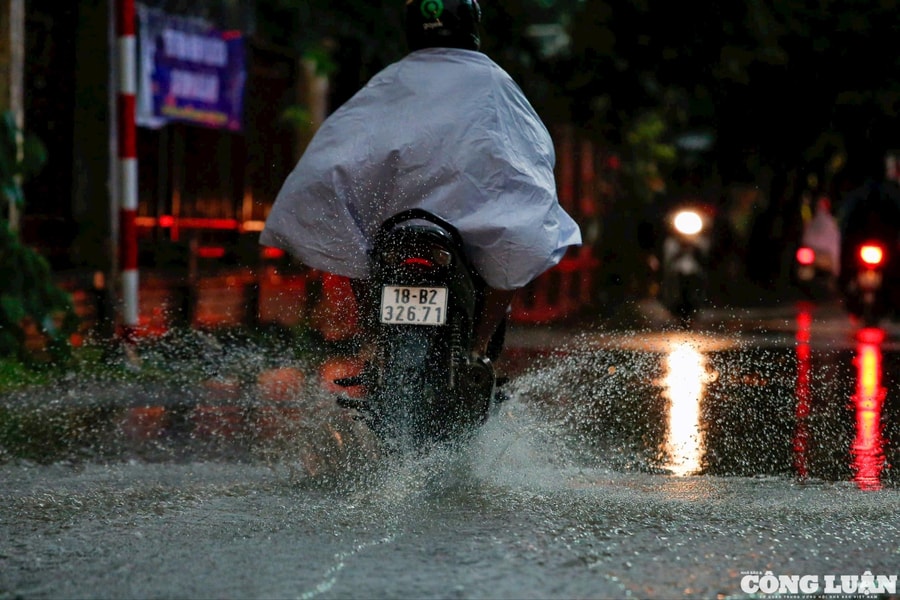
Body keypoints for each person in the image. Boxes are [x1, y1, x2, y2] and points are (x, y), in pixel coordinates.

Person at [259, 0, 581, 356]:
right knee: (515, 250)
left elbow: (340, 147)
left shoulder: (391, 80)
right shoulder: (493, 80)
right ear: (470, 25)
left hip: (393, 226)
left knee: (355, 251)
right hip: (469, 231)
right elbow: (532, 153)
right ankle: (478, 345)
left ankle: (375, 344)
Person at [800, 194, 841, 280]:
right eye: (819, 204)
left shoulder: (832, 223)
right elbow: (806, 219)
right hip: (810, 254)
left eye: (823, 204)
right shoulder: (814, 220)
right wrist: (805, 205)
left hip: (825, 258)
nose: (821, 206)